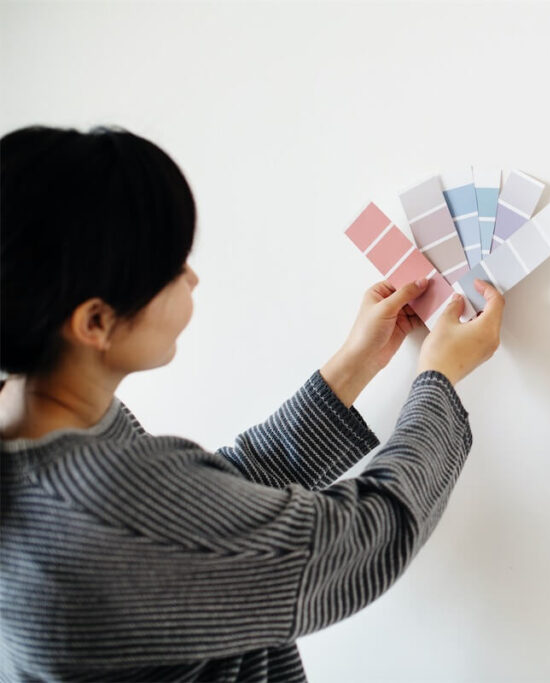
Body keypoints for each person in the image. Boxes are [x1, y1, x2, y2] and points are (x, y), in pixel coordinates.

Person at [0, 125, 504, 682]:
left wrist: (353, 365)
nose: (191, 277)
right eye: (171, 267)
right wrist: (439, 376)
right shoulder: (97, 502)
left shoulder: (34, 433)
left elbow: (209, 511)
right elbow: (364, 539)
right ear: (94, 321)